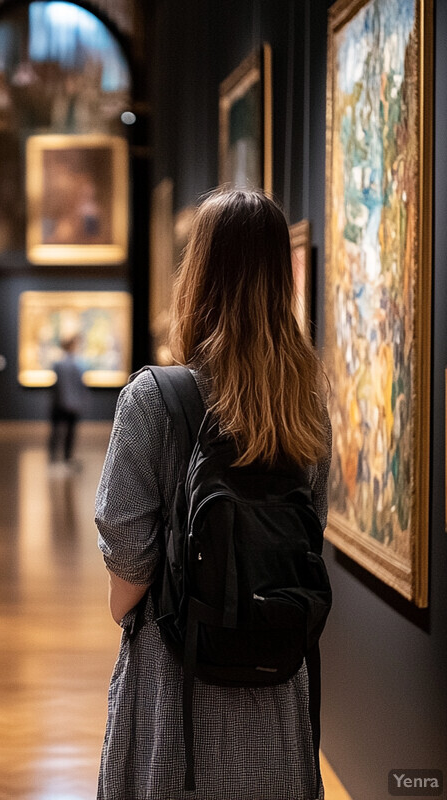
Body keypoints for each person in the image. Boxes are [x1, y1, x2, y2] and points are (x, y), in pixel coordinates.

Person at [95, 189, 331, 800]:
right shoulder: (306, 409)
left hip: (178, 685)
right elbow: (313, 531)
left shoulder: (154, 399)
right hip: (277, 679)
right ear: (283, 284)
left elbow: (126, 555)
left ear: (196, 278)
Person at [49, 334, 86, 466]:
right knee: (65, 432)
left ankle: (55, 457)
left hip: (60, 403)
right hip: (69, 403)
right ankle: (64, 456)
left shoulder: (60, 364)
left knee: (58, 431)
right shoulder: (76, 364)